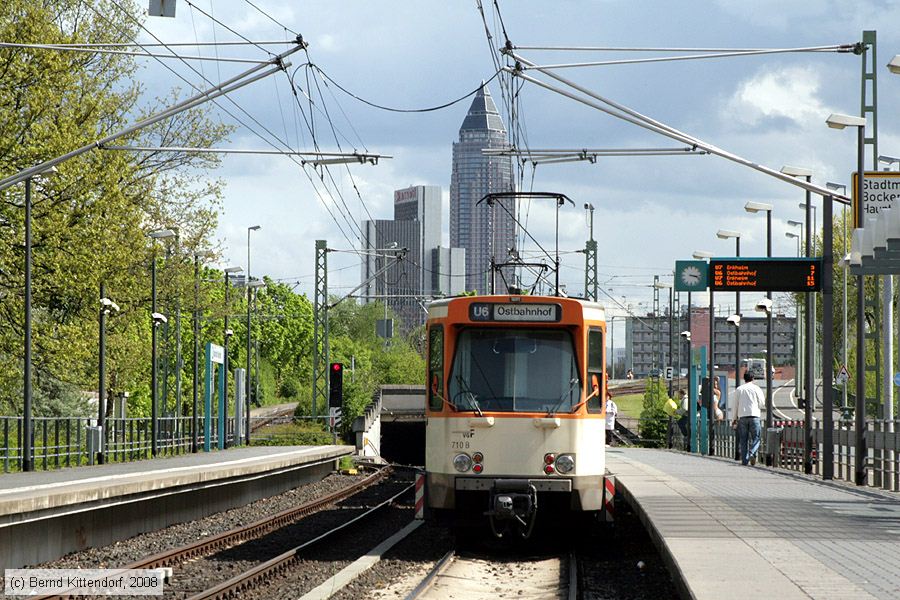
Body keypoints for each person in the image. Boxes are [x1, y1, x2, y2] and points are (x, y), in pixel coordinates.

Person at [733, 372, 765, 465]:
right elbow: (762, 403)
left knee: (743, 439)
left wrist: (734, 419)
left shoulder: (739, 389)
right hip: (754, 416)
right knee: (757, 438)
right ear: (753, 378)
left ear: (744, 379)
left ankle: (745, 460)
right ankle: (752, 452)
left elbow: (735, 405)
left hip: (742, 417)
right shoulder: (757, 388)